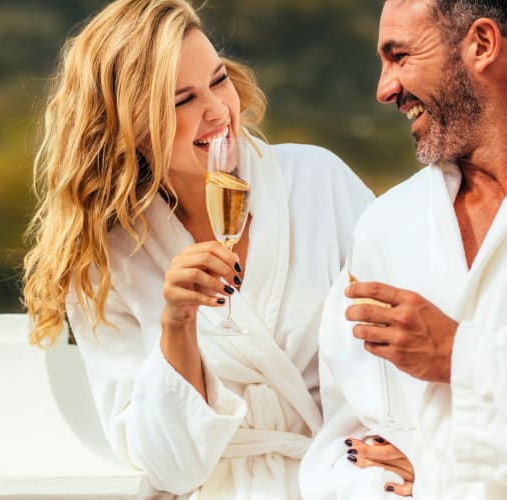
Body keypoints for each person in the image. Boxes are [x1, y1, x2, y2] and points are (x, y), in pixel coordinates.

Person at [22, 0, 373, 497]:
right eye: (181, 99)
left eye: (218, 79)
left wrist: (410, 441)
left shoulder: (318, 182)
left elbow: (401, 334)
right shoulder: (109, 262)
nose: (217, 111)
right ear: (130, 126)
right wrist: (177, 323)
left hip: (342, 481)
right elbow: (169, 465)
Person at [300, 0, 507, 498]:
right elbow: (348, 437)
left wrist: (456, 357)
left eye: (399, 56)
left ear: (482, 44)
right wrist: (379, 484)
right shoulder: (390, 224)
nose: (384, 90)